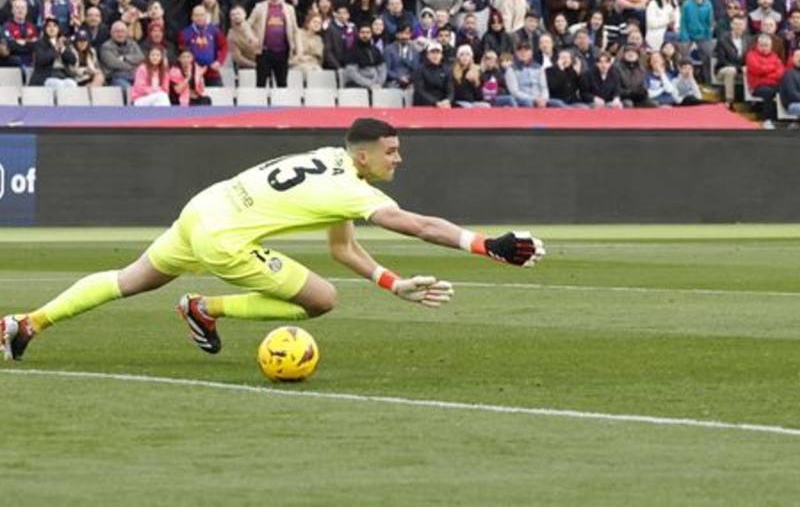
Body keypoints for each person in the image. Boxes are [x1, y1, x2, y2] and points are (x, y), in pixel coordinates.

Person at [1, 119, 546, 361]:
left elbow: (342, 248)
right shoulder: (351, 187)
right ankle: (203, 306)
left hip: (203, 207)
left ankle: (25, 323)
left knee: (129, 280)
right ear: (363, 156)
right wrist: (487, 244)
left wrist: (391, 282)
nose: (398, 159)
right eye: (391, 152)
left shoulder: (332, 162)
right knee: (322, 300)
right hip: (224, 238)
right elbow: (418, 225)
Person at [247, 0, 298, 87]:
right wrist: (252, 38)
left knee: (282, 84)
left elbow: (295, 30)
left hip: (283, 52)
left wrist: (297, 48)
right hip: (264, 51)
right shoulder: (259, 7)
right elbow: (247, 25)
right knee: (261, 84)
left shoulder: (289, 9)